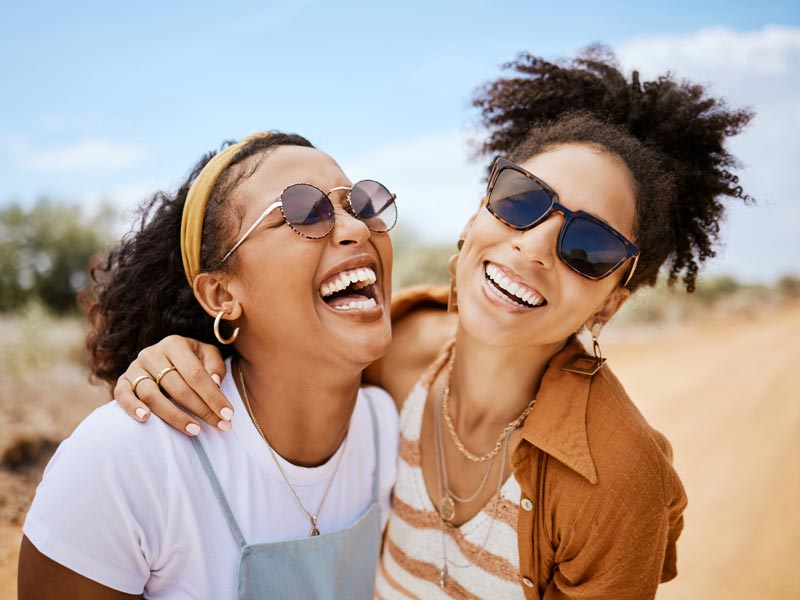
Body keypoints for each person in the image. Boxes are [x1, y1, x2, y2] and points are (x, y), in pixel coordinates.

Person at [113, 50, 752, 598]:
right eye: (521, 202)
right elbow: (284, 337)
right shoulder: (396, 353)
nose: (534, 248)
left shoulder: (612, 479)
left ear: (610, 301)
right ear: (476, 218)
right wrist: (181, 351)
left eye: (589, 247)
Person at [18, 132, 401, 599]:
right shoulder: (126, 460)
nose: (357, 228)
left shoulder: (390, 428)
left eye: (360, 204)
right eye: (303, 211)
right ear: (221, 295)